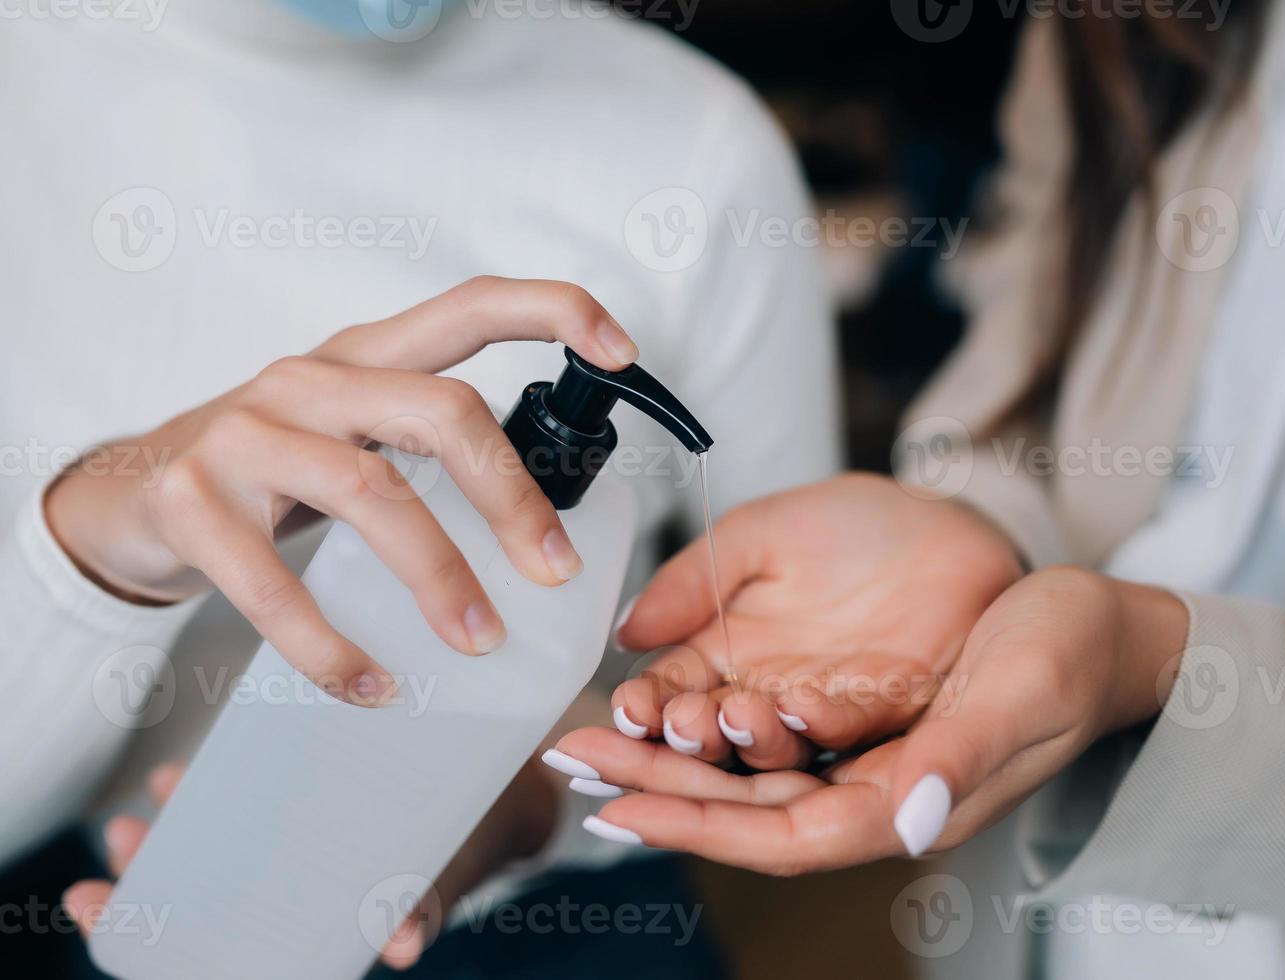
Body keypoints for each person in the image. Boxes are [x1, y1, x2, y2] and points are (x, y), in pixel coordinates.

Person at [539, 2, 1285, 978]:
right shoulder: (1122, 26)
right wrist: (976, 526)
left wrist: (1151, 664)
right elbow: (1031, 312)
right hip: (1039, 906)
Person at [2, 0, 839, 968]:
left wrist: (531, 796)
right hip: (126, 898)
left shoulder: (700, 149)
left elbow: (770, 706)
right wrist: (94, 552)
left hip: (555, 930)